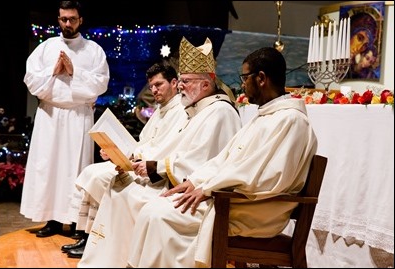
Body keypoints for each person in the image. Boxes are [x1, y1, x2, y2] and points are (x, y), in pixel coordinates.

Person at [126, 47, 318, 268]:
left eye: (245, 78)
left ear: (261, 78)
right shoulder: (266, 116)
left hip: (252, 211)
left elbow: (266, 178)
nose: (242, 84)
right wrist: (195, 181)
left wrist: (208, 189)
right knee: (154, 208)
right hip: (233, 200)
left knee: (159, 216)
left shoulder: (291, 121)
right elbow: (225, 159)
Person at [77, 36, 242, 267]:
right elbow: (183, 151)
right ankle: (110, 260)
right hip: (179, 180)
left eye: (185, 81)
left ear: (206, 83)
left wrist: (157, 167)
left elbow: (205, 162)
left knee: (130, 195)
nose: (181, 86)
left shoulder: (220, 112)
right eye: (181, 80)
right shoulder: (199, 109)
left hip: (201, 193)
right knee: (120, 187)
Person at [61, 60, 186, 258]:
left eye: (158, 85)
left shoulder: (181, 111)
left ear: (173, 83)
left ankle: (96, 241)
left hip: (152, 173)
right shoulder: (161, 109)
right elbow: (145, 142)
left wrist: (134, 158)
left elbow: (166, 149)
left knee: (98, 177)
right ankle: (88, 237)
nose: (154, 90)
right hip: (138, 163)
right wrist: (117, 152)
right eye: (151, 86)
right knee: (91, 171)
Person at [20, 0, 110, 238]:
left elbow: (101, 83)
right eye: (63, 19)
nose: (67, 23)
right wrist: (53, 71)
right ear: (58, 19)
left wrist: (74, 71)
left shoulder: (93, 50)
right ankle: (52, 220)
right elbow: (30, 80)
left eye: (72, 19)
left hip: (78, 116)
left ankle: (77, 223)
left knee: (75, 169)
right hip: (50, 114)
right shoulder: (46, 47)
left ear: (81, 19)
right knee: (49, 168)